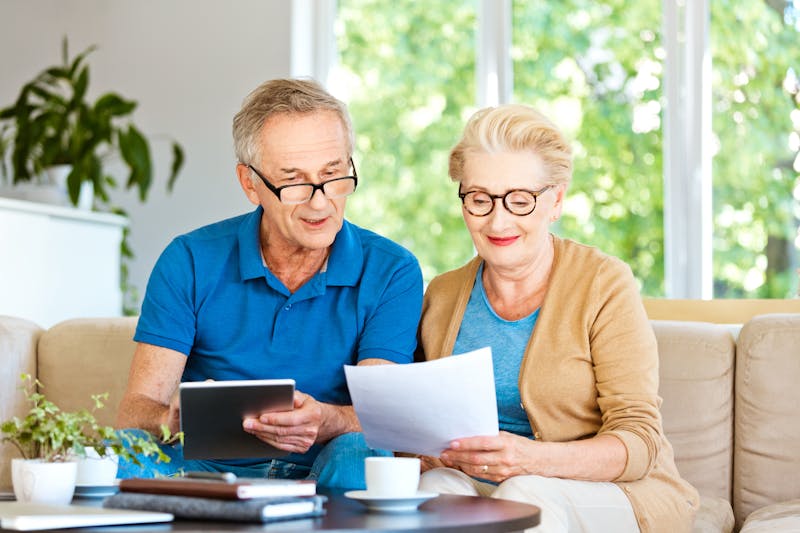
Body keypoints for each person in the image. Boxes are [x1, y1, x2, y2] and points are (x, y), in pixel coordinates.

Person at [115, 78, 423, 489]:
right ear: (250, 184)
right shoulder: (188, 259)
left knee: (363, 454)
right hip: (203, 467)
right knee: (125, 453)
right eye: (294, 181)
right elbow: (135, 410)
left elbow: (381, 413)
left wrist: (326, 419)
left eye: (333, 174)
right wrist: (166, 417)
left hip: (323, 465)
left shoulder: (392, 269)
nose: (320, 202)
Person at [415, 104, 698, 532]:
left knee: (523, 497)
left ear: (556, 200)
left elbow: (639, 442)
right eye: (479, 199)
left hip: (615, 492)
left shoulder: (604, 283)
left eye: (520, 200)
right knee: (431, 490)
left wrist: (529, 460)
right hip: (483, 486)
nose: (498, 219)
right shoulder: (443, 293)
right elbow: (420, 421)